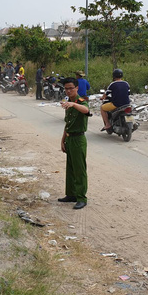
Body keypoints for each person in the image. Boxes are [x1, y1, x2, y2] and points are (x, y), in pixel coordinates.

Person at [59, 77, 90, 209]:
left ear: (77, 88)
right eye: (66, 88)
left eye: (71, 88)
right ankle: (71, 194)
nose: (68, 91)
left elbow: (86, 111)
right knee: (70, 168)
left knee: (79, 169)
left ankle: (81, 197)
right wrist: (63, 139)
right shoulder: (68, 103)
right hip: (70, 138)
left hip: (78, 139)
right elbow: (68, 123)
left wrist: (74, 105)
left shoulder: (80, 102)